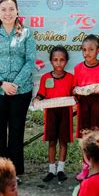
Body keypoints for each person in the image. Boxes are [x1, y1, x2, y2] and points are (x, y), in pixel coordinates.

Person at [0, 0, 36, 180]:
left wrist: (15, 84)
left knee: (16, 130)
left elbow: (30, 61)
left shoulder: (27, 34)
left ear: (17, 11)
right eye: (3, 9)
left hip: (21, 91)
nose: (7, 13)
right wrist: (2, 83)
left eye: (11, 9)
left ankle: (13, 173)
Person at [72, 34, 99, 180]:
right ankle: (86, 166)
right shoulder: (78, 68)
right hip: (83, 106)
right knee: (85, 136)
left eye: (91, 49)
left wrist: (96, 88)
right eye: (84, 49)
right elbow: (74, 88)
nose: (86, 53)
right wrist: (79, 92)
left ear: (98, 50)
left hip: (98, 105)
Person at [33, 45, 74, 183]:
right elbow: (41, 94)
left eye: (62, 60)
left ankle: (61, 169)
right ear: (51, 61)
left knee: (63, 140)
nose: (58, 63)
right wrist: (37, 99)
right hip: (50, 111)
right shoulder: (46, 77)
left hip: (65, 111)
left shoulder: (71, 78)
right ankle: (51, 170)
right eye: (55, 60)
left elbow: (74, 94)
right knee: (52, 141)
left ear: (66, 61)